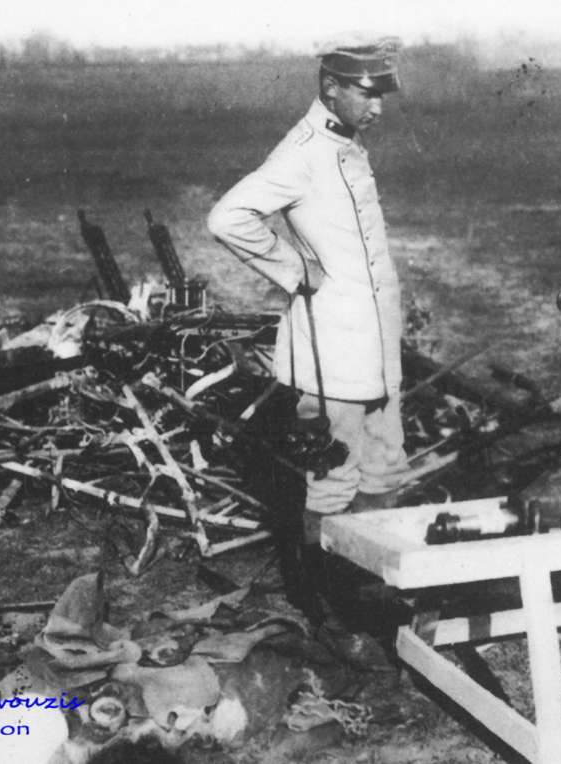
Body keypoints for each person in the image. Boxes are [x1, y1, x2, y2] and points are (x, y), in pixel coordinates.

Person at [207, 38, 409, 541]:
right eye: (367, 94)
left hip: (375, 342)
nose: (377, 107)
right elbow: (227, 217)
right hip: (332, 346)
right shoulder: (301, 153)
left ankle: (374, 575)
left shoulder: (346, 143)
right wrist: (296, 268)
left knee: (385, 465)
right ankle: (324, 584)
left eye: (381, 95)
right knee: (333, 475)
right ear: (331, 87)